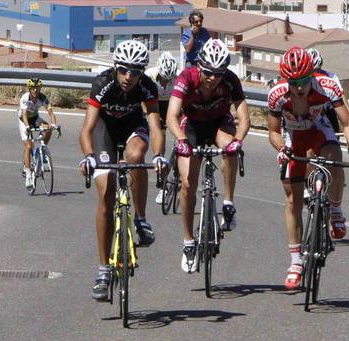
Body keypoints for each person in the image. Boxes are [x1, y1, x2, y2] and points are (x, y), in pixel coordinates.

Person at [267, 47, 349, 290]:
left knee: (335, 160)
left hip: (319, 131)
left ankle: (335, 210)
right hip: (293, 138)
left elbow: (347, 122)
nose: (299, 87)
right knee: (292, 200)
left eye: (303, 81)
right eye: (294, 82)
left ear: (312, 74)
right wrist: (281, 148)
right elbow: (272, 131)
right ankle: (296, 261)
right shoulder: (277, 95)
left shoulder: (327, 86)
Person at [79, 40, 166, 301]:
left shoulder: (147, 87)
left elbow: (155, 126)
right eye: (125, 70)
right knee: (106, 196)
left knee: (136, 156)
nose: (129, 77)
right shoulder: (103, 83)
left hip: (132, 127)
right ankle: (104, 270)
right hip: (104, 131)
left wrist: (160, 156)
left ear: (142, 72)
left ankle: (140, 218)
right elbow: (86, 129)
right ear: (116, 68)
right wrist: (89, 157)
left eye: (136, 71)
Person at [167, 38, 251, 273]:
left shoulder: (230, 81)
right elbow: (172, 115)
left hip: (218, 124)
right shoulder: (187, 77)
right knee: (187, 183)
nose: (213, 78)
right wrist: (182, 141)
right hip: (191, 126)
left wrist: (239, 140)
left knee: (230, 149)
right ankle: (188, 242)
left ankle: (228, 203)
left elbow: (244, 118)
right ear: (200, 67)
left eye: (218, 73)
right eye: (209, 72)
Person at [150, 51, 181, 205]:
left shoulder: (179, 77)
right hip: (157, 105)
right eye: (163, 79)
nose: (165, 82)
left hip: (174, 104)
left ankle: (179, 169)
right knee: (159, 138)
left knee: (181, 139)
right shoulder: (149, 75)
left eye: (169, 80)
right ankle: (163, 184)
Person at [19, 78, 61, 189]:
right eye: (33, 88)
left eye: (37, 88)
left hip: (35, 118)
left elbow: (51, 112)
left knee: (48, 129)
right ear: (29, 89)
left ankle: (42, 148)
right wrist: (27, 127)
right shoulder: (25, 98)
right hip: (24, 121)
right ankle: (28, 174)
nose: (35, 91)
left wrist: (53, 124)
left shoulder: (43, 98)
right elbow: (23, 115)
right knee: (28, 146)